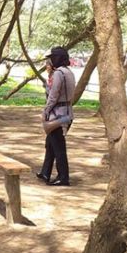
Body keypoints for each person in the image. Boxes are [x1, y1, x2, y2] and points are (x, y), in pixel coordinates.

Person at [36, 47, 75, 186]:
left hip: (58, 115)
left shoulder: (58, 73)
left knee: (58, 147)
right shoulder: (69, 72)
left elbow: (53, 96)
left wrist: (45, 111)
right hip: (67, 113)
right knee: (51, 144)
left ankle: (63, 177)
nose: (50, 60)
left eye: (52, 57)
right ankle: (45, 172)